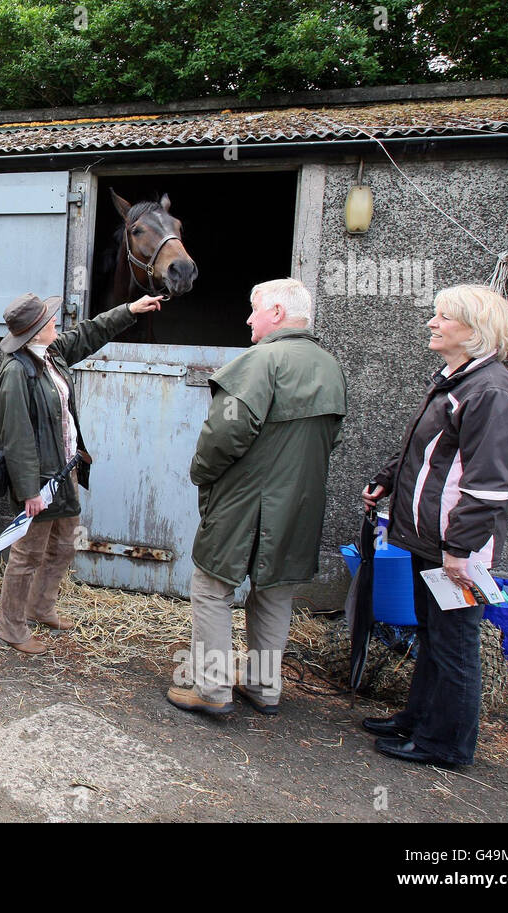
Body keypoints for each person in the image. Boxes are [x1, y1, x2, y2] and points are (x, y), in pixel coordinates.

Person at [361, 285, 508, 767]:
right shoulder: (457, 380)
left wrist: (460, 549)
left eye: (442, 317)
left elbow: (491, 485)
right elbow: (425, 448)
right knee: (432, 635)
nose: (432, 323)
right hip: (429, 537)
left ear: (473, 332)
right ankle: (418, 720)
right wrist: (388, 479)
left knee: (454, 644)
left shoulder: (492, 392)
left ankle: (447, 744)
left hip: (455, 548)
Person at [168, 278, 347, 715]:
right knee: (274, 593)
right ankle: (264, 687)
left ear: (278, 314)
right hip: (299, 506)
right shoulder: (329, 366)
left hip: (245, 503)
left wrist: (201, 472)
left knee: (212, 588)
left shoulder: (261, 362)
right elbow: (332, 439)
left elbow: (225, 432)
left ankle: (210, 690)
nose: (248, 318)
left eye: (254, 308)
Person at [0, 292, 162, 654]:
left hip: (65, 471)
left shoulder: (51, 354)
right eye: (50, 319)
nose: (57, 322)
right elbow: (16, 438)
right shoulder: (16, 373)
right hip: (40, 483)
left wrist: (129, 310)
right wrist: (29, 491)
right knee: (27, 555)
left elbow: (90, 332)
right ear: (36, 330)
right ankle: (11, 627)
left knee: (64, 546)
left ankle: (41, 608)